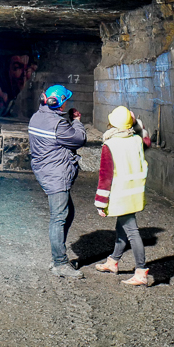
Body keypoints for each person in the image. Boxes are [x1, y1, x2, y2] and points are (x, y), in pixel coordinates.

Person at [28, 85, 87, 278]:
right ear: (58, 102)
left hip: (46, 171)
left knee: (66, 213)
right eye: (65, 101)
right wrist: (76, 121)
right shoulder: (58, 124)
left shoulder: (37, 117)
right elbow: (78, 139)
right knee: (59, 218)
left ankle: (58, 253)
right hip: (55, 175)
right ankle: (59, 263)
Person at [93, 106, 153, 287]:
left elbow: (105, 176)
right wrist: (136, 123)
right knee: (122, 226)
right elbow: (147, 140)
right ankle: (113, 261)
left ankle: (141, 271)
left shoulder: (109, 145)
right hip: (134, 193)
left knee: (132, 232)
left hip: (120, 195)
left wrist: (101, 202)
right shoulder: (136, 140)